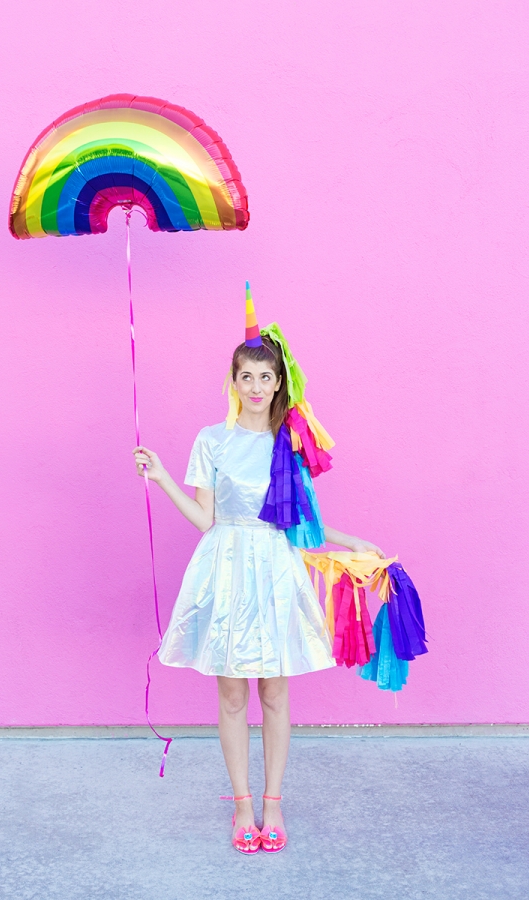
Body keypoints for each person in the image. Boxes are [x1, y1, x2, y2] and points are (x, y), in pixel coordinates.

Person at [132, 287, 384, 855]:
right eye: (245, 376)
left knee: (274, 690)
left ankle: (273, 803)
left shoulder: (289, 443)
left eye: (264, 378)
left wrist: (351, 542)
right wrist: (163, 476)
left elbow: (302, 525)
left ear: (278, 384)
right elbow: (206, 519)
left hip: (274, 567)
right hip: (225, 567)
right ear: (234, 381)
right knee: (230, 694)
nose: (254, 387)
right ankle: (241, 806)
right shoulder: (212, 440)